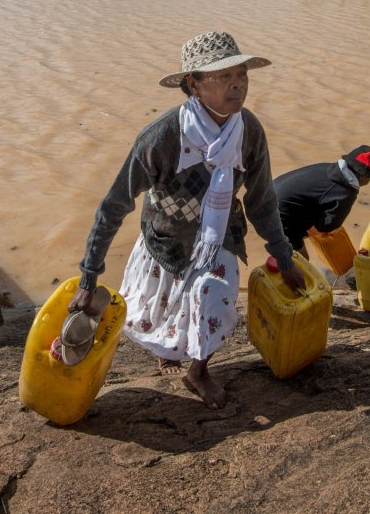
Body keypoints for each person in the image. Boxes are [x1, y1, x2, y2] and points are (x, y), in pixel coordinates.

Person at [69, 30, 305, 410]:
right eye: (224, 76)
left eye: (242, 74)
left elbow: (262, 200)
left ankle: (198, 370)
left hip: (220, 235)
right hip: (166, 239)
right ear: (194, 84)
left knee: (215, 296)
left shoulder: (249, 132)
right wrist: (88, 277)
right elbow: (114, 204)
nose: (237, 85)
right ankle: (171, 350)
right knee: (163, 311)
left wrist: (285, 256)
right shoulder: (161, 137)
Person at [273, 145, 370, 257]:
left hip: (267, 196)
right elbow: (327, 226)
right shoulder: (345, 192)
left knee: (285, 252)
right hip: (280, 213)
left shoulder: (327, 168)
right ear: (362, 175)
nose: (369, 181)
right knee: (301, 261)